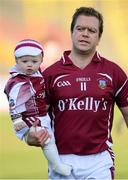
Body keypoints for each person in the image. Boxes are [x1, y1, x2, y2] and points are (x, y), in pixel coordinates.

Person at [11, 7, 128, 180]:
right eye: (80, 29)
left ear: (99, 37)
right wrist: (31, 136)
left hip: (100, 161)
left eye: (91, 30)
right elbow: (37, 119)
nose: (85, 34)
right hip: (61, 160)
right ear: (72, 32)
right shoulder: (50, 75)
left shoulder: (113, 72)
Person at [4, 39, 72, 176]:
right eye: (24, 62)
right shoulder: (18, 81)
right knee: (45, 138)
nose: (29, 65)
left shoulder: (39, 74)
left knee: (54, 134)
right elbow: (13, 101)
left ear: (41, 60)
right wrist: (17, 119)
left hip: (42, 114)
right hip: (28, 117)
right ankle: (57, 165)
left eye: (34, 62)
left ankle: (59, 162)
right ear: (16, 60)